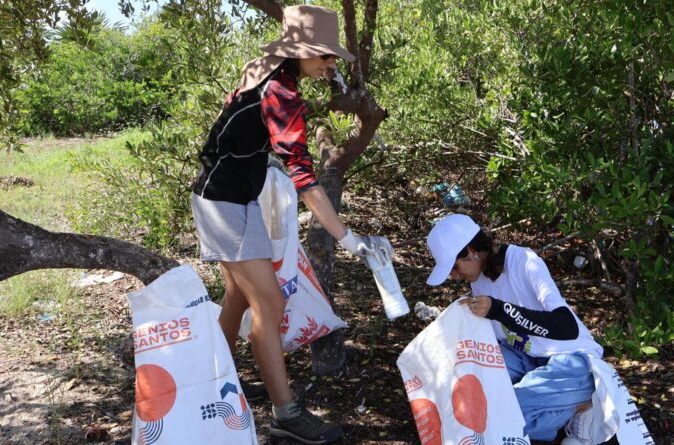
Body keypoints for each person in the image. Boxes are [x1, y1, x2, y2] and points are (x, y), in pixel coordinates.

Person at [190, 5, 387, 444]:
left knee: (238, 295)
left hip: (232, 194)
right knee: (271, 303)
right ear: (301, 51)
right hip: (224, 202)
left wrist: (329, 82)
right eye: (326, 55)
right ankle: (286, 414)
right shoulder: (281, 93)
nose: (330, 63)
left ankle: (214, 380)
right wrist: (348, 238)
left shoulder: (265, 67)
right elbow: (304, 177)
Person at [425, 214, 604, 445]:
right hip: (522, 355)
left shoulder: (524, 261)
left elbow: (566, 327)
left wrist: (500, 310)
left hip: (571, 358)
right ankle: (564, 410)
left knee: (506, 414)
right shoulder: (478, 279)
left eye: (454, 267)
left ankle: (582, 405)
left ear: (471, 251)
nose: (454, 275)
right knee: (467, 393)